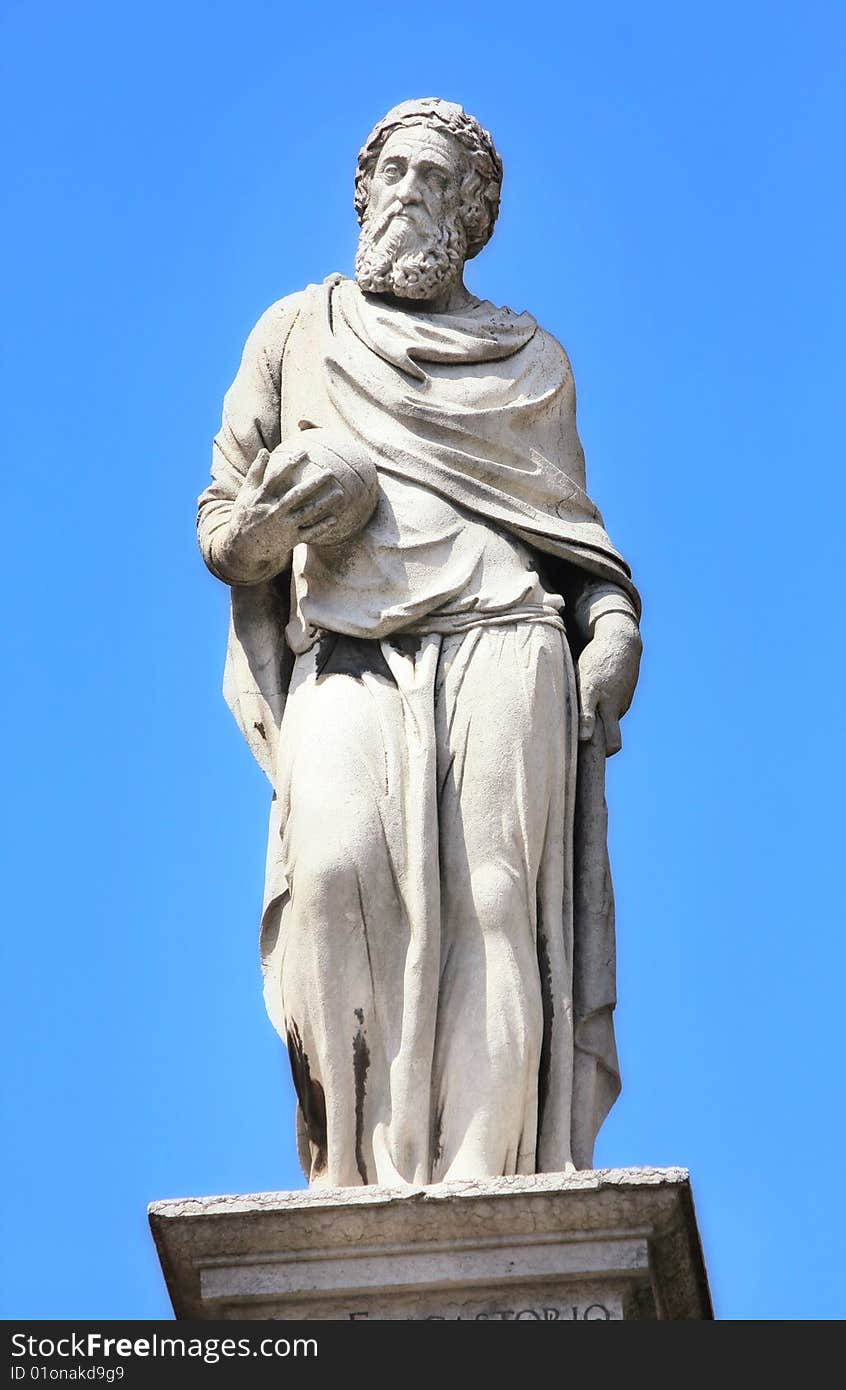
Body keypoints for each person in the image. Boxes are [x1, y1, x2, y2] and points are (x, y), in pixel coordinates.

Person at [197, 99, 642, 1188]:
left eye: (434, 179)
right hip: (347, 643)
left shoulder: (531, 362)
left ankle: (492, 1178)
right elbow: (223, 532)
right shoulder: (296, 332)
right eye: (391, 172)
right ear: (362, 191)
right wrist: (287, 519)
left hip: (505, 634)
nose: (406, 192)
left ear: (471, 212)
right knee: (337, 870)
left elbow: (576, 540)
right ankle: (350, 1174)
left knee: (497, 896)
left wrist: (615, 632)